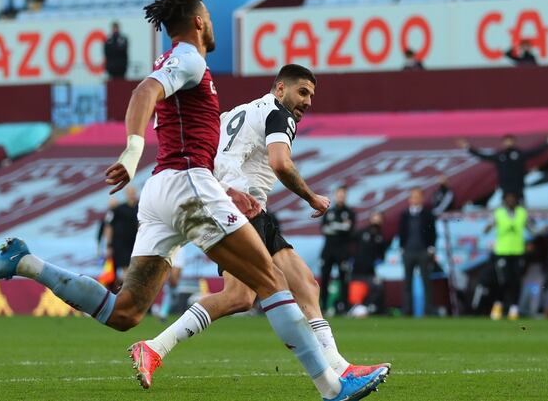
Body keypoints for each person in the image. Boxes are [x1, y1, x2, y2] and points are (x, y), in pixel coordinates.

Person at [0, 0, 386, 401]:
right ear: (201, 21)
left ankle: (27, 263)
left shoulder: (191, 68)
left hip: (161, 191)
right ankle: (333, 386)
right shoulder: (189, 59)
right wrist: (132, 151)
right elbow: (145, 89)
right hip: (188, 183)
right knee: (272, 281)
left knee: (126, 311)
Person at [139, 63, 389, 384]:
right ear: (280, 89)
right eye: (302, 92)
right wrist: (312, 197)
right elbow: (280, 163)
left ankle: (155, 346)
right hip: (242, 207)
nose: (308, 101)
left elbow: (203, 154)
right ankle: (336, 374)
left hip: (224, 204)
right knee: (285, 290)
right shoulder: (278, 114)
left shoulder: (235, 113)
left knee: (260, 293)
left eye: (311, 95)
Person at [457, 132, 548, 201]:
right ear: (503, 143)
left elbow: (537, 151)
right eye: (506, 141)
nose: (508, 143)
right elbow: (482, 156)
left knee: (521, 210)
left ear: (514, 142)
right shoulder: (499, 155)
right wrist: (467, 147)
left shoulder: (520, 154)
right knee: (505, 210)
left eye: (510, 140)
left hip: (518, 187)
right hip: (505, 188)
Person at [483, 192, 535, 320]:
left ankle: (514, 308)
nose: (511, 200)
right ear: (504, 200)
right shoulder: (498, 213)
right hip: (502, 252)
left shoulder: (522, 213)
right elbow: (487, 228)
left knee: (516, 281)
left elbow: (532, 229)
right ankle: (498, 305)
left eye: (513, 198)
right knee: (503, 280)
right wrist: (488, 227)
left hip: (517, 252)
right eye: (508, 198)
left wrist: (539, 231)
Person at [398, 187, 436, 316]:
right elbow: (402, 233)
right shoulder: (404, 215)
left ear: (422, 198)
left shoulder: (428, 214)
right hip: (408, 252)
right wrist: (402, 248)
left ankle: (428, 310)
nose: (415, 199)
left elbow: (433, 232)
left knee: (426, 283)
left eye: (417, 196)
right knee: (407, 284)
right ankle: (407, 311)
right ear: (409, 199)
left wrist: (431, 248)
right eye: (413, 196)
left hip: (423, 252)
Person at [319, 186, 357, 315]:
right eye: (339, 194)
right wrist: (341, 227)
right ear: (335, 195)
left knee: (344, 278)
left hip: (342, 250)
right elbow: (324, 229)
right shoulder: (329, 211)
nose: (340, 197)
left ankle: (344, 307)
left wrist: (335, 227)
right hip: (328, 250)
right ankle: (323, 306)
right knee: (324, 278)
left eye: (343, 195)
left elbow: (350, 231)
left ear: (346, 196)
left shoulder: (350, 212)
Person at [351, 212, 390, 313]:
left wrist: (378, 261)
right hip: (358, 269)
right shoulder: (362, 232)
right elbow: (350, 242)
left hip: (370, 271)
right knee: (355, 288)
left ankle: (369, 307)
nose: (376, 220)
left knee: (377, 286)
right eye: (375, 218)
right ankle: (353, 308)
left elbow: (382, 255)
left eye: (379, 218)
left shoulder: (381, 237)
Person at [104, 185, 139, 284]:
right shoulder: (118, 209)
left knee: (133, 269)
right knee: (125, 268)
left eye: (133, 193)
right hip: (121, 243)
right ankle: (123, 290)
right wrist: (109, 244)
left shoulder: (140, 207)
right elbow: (108, 225)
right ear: (126, 194)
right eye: (130, 193)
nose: (132, 195)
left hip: (135, 242)